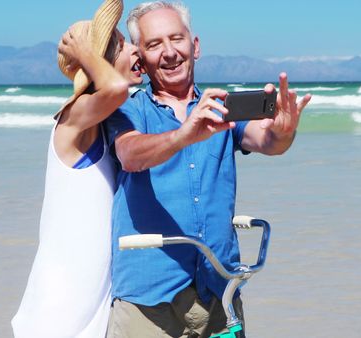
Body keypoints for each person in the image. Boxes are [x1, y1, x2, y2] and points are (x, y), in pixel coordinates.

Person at [104, 1, 312, 337]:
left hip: (220, 292)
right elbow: (130, 154)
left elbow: (268, 141)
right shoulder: (127, 109)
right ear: (140, 57)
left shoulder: (222, 108)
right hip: (148, 299)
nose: (170, 52)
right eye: (155, 44)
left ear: (195, 46)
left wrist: (283, 131)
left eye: (177, 39)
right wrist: (184, 135)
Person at [11, 0, 143, 337]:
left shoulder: (105, 124)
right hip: (61, 307)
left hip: (91, 302)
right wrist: (87, 52)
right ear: (103, 60)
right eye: (124, 45)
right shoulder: (74, 118)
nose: (136, 50)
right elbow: (115, 89)